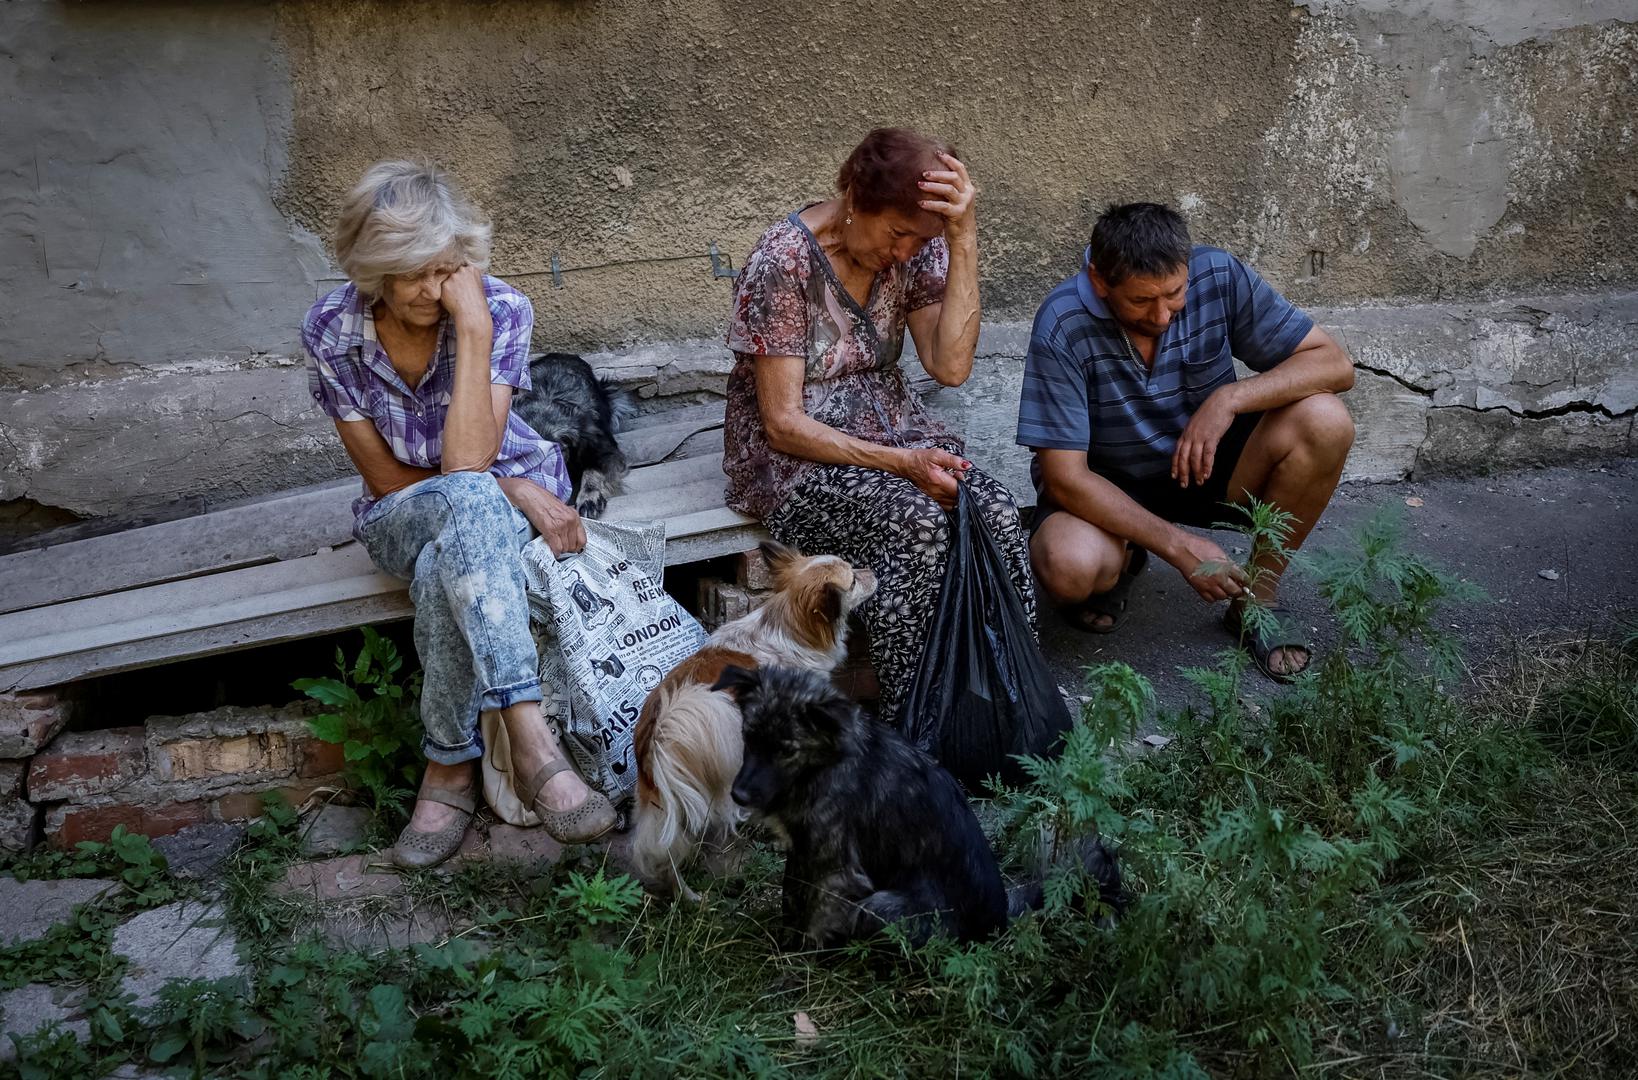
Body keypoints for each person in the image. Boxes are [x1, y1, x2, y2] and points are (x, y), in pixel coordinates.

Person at [302, 160, 617, 868]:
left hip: (479, 511)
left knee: (454, 550)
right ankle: (534, 745)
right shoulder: (330, 329)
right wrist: (515, 489)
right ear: (371, 269)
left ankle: (447, 769)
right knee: (471, 500)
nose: (430, 290)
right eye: (410, 274)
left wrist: (472, 330)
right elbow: (385, 477)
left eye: (446, 270)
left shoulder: (499, 310)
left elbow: (470, 462)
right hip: (401, 512)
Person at [722, 128, 1037, 726]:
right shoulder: (785, 260)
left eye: (919, 240)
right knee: (918, 524)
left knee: (992, 510)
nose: (903, 254)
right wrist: (902, 465)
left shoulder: (918, 249)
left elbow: (951, 366)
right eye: (896, 234)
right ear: (853, 198)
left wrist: (963, 240)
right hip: (793, 464)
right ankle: (912, 727)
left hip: (894, 434)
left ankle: (1007, 709)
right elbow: (783, 424)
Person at [1017, 202, 1355, 681]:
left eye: (1175, 293)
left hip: (1206, 467)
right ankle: (1129, 549)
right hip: (1108, 486)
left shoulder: (1218, 273)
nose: (1162, 315)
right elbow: (1065, 477)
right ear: (1099, 281)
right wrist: (1176, 546)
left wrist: (1230, 398)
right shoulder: (1061, 321)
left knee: (1326, 420)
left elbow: (1334, 365)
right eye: (1140, 301)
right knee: (1067, 567)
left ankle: (1256, 599)